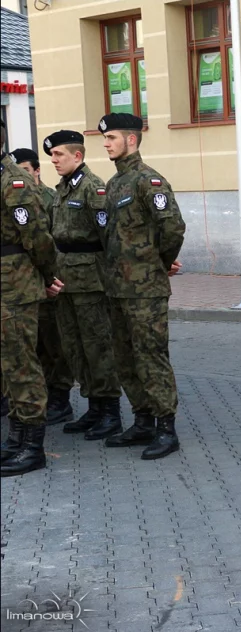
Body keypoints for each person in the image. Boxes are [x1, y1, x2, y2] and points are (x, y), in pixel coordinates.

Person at [95, 113, 187, 459]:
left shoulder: (149, 181)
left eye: (112, 138)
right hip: (117, 289)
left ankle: (166, 428)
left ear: (131, 140)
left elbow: (173, 227)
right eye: (105, 138)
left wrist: (158, 264)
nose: (106, 143)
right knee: (125, 357)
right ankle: (143, 420)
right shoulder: (114, 183)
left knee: (151, 356)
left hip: (146, 290)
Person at [43, 130, 124, 440]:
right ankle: (94, 406)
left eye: (59, 154)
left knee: (98, 346)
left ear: (77, 156)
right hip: (66, 280)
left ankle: (110, 412)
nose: (53, 160)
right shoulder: (62, 189)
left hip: (91, 281)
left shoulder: (93, 188)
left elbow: (109, 237)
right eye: (52, 155)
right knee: (75, 347)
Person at [0, 117, 62, 477]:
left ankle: (32, 447)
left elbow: (38, 238)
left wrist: (48, 275)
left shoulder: (15, 182)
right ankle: (16, 438)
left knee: (22, 363)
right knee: (7, 366)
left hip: (15, 284)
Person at [11, 147, 74, 425]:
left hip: (49, 279)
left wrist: (50, 277)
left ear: (37, 171)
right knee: (32, 345)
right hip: (24, 281)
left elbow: (48, 241)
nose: (21, 176)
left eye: (26, 170)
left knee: (53, 343)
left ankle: (60, 397)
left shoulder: (50, 197)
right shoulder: (14, 195)